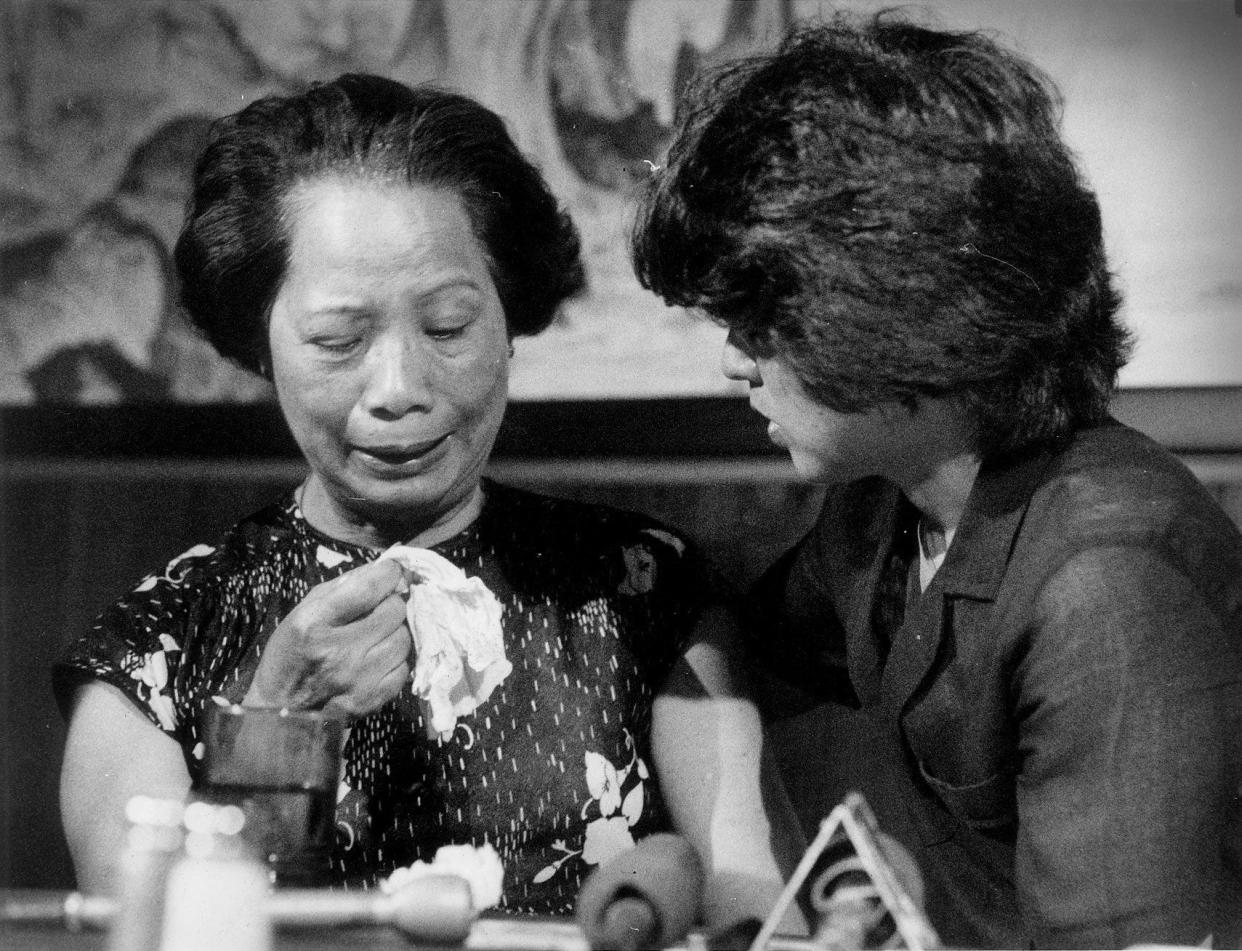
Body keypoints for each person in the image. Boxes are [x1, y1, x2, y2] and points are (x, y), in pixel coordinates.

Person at [54, 74, 807, 927]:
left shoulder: (642, 587)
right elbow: (150, 931)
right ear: (259, 345)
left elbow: (758, 903)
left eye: (448, 327)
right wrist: (276, 723)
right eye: (339, 340)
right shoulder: (158, 642)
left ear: (511, 318)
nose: (399, 389)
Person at [631, 12, 1242, 949]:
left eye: (761, 320)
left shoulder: (1108, 587)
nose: (733, 364)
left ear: (898, 311)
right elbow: (758, 641)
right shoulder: (885, 504)